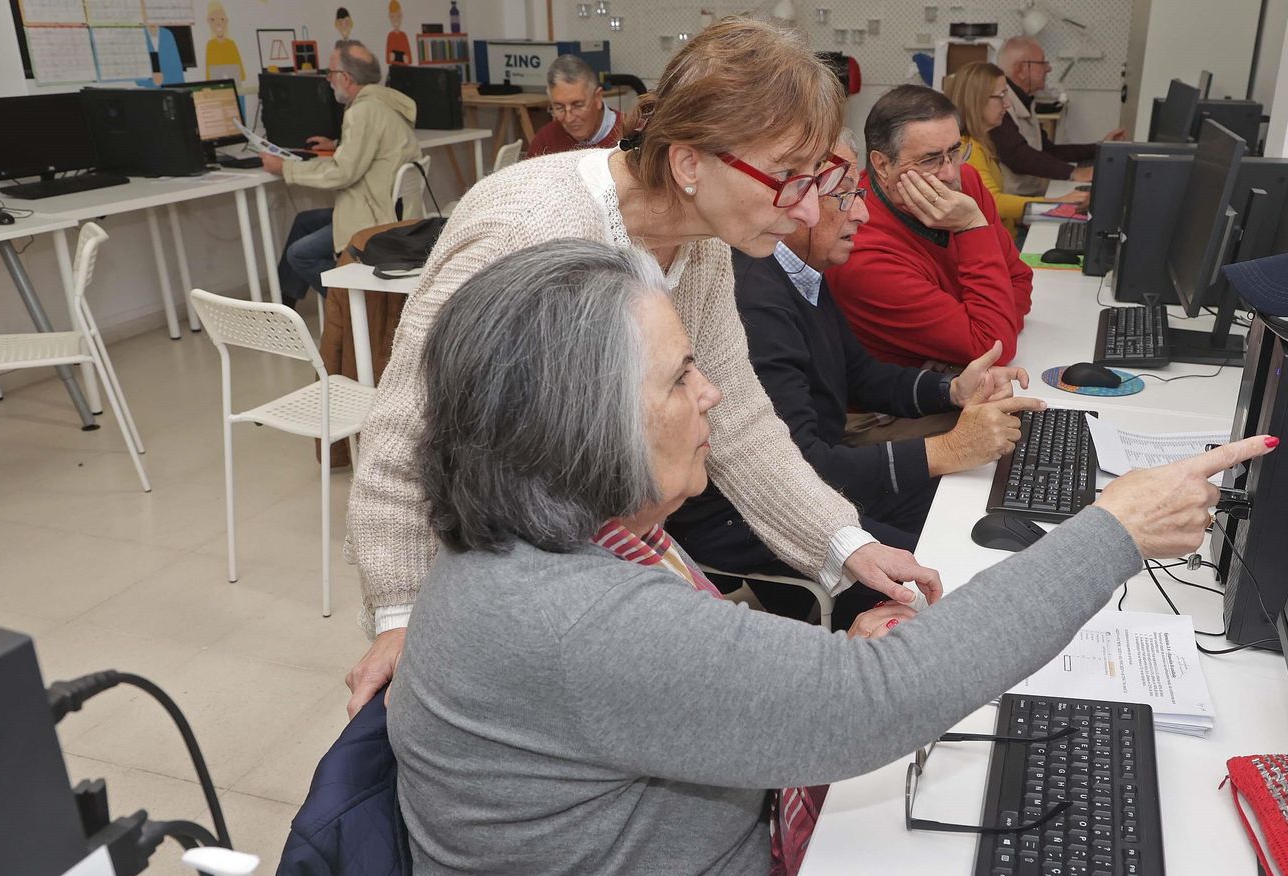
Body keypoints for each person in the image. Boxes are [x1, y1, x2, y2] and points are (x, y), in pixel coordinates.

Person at [387, 239, 1278, 876]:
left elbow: (682, 666)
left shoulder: (570, 540)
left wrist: (826, 653)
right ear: (585, 425)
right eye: (680, 377)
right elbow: (876, 703)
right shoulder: (567, 615)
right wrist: (1114, 529)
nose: (712, 394)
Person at [343, 19, 940, 717]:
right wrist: (400, 616)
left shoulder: (704, 239)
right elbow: (404, 435)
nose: (807, 207)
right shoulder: (527, 229)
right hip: (493, 580)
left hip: (586, 559)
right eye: (785, 178)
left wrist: (843, 544)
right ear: (690, 163)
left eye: (817, 180)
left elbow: (737, 417)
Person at [671, 130, 1041, 627]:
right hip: (762, 517)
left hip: (822, 486)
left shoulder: (801, 272)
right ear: (796, 194)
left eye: (860, 194)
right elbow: (799, 468)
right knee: (967, 577)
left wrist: (951, 390)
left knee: (990, 515)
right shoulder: (753, 299)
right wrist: (949, 450)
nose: (863, 214)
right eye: (845, 196)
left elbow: (859, 373)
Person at [825, 84, 1033, 377]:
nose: (950, 173)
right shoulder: (861, 249)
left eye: (955, 152)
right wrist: (971, 227)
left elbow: (1021, 280)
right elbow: (993, 347)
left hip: (953, 383)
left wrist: (972, 340)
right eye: (930, 159)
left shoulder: (967, 183)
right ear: (882, 165)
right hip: (898, 412)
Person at [263, 40, 422, 309]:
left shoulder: (362, 111)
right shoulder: (386, 103)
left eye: (331, 73)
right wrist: (338, 146)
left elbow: (342, 173)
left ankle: (358, 307)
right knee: (304, 221)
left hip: (375, 216)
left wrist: (285, 168)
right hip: (394, 208)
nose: (328, 79)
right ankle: (282, 308)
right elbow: (375, 147)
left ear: (346, 78)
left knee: (299, 255)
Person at [948, 61, 1085, 236]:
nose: (1007, 104)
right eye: (1001, 95)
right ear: (978, 100)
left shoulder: (983, 141)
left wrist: (1027, 216)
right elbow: (994, 202)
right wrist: (1055, 203)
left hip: (1008, 234)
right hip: (1002, 243)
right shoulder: (969, 149)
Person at [992, 36, 1125, 196]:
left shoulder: (1024, 99)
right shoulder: (997, 105)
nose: (1048, 68)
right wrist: (1074, 173)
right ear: (1021, 70)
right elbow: (1018, 156)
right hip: (1016, 204)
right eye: (1042, 62)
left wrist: (1100, 148)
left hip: (1031, 195)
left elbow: (1048, 151)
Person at [526, 54, 623, 157]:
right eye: (559, 108)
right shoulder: (545, 142)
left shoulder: (632, 134)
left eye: (578, 106)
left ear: (598, 98)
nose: (569, 119)